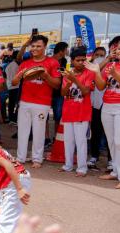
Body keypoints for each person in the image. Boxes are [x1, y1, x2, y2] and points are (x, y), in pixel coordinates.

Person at [12, 35, 61, 168]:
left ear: (45, 47)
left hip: (42, 103)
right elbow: (14, 82)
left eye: (38, 46)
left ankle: (37, 158)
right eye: (33, 46)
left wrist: (45, 76)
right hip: (25, 102)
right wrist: (20, 75)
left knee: (39, 132)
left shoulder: (52, 63)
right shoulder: (25, 63)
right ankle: (20, 157)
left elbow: (57, 84)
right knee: (22, 130)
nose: (35, 48)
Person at [85, 36, 120, 189]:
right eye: (115, 47)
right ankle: (115, 172)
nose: (117, 50)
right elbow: (100, 86)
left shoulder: (113, 67)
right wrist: (97, 72)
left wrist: (115, 74)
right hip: (107, 106)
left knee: (119, 142)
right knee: (112, 142)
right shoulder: (110, 64)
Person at [59, 49, 95, 177]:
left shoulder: (89, 73)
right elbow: (62, 93)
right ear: (72, 61)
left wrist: (74, 79)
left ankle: (82, 168)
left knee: (81, 141)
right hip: (68, 112)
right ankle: (68, 165)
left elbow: (85, 91)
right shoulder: (67, 74)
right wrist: (69, 82)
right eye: (78, 60)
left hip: (82, 113)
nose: (81, 62)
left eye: (83, 60)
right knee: (68, 141)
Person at [88, 47, 112, 171]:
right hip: (95, 104)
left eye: (102, 55)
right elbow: (93, 73)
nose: (99, 57)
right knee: (95, 132)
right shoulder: (90, 66)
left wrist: (108, 61)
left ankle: (111, 160)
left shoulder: (111, 66)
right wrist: (105, 60)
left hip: (109, 103)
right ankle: (94, 156)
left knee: (110, 134)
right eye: (97, 55)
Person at [50, 42, 69, 141]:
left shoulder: (64, 61)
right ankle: (46, 138)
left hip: (59, 93)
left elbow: (63, 73)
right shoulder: (49, 60)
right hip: (48, 92)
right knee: (43, 118)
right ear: (61, 51)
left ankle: (56, 138)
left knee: (58, 116)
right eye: (66, 49)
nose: (67, 51)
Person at [6, 50, 20, 124]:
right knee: (14, 104)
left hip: (12, 86)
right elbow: (14, 78)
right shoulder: (14, 65)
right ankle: (13, 119)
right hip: (14, 87)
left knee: (12, 104)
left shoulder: (11, 65)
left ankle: (11, 118)